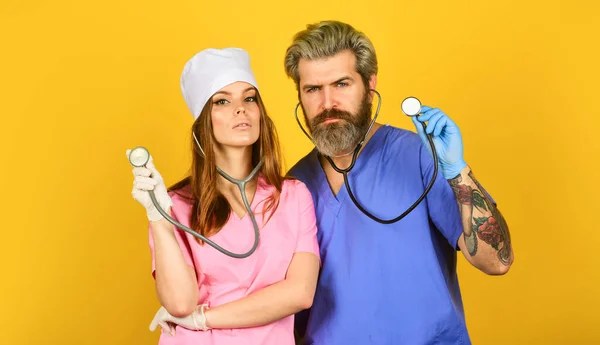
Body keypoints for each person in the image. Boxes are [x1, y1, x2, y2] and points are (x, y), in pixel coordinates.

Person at [283, 20, 514, 345]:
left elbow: (496, 261)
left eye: (342, 84)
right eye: (312, 89)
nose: (328, 103)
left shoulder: (418, 156)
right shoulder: (292, 185)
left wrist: (456, 170)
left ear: (370, 84)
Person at [126, 47, 320, 345]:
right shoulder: (175, 204)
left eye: (249, 98)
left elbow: (300, 293)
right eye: (222, 101)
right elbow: (179, 304)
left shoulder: (293, 197)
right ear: (204, 122)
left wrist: (202, 319)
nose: (240, 109)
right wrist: (159, 218)